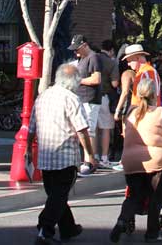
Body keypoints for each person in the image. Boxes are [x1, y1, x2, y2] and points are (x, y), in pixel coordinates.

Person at [110, 76, 162, 243]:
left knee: (134, 196)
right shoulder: (160, 112)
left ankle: (122, 220)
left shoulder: (130, 113)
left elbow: (125, 133)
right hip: (156, 160)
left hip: (130, 160)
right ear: (154, 94)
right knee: (156, 197)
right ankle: (152, 233)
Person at [31, 63, 97, 245]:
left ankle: (68, 227)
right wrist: (89, 155)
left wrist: (29, 150)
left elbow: (31, 127)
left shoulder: (42, 96)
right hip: (65, 155)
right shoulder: (71, 98)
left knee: (56, 194)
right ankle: (45, 230)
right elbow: (82, 129)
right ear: (73, 82)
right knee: (59, 195)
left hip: (45, 155)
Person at [70, 34, 103, 171]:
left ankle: (90, 161)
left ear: (84, 45)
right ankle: (87, 159)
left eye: (77, 49)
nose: (75, 52)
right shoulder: (82, 58)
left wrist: (78, 81)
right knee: (82, 129)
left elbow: (96, 79)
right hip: (81, 98)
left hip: (90, 99)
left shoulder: (93, 57)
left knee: (89, 130)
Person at [97, 40, 121, 166]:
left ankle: (93, 156)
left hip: (90, 96)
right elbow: (115, 83)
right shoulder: (111, 63)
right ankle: (104, 157)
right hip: (105, 97)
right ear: (111, 50)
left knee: (93, 128)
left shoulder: (92, 58)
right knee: (106, 128)